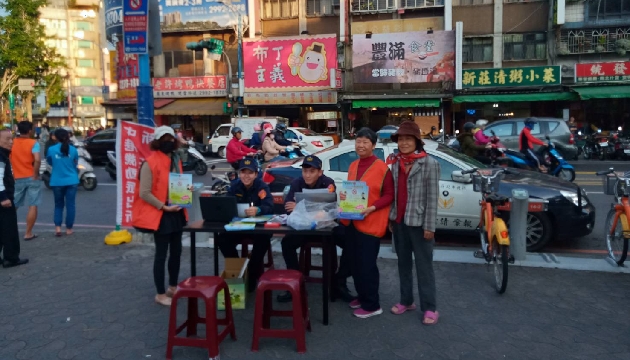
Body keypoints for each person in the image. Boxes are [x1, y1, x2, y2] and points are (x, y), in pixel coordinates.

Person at [276, 156, 355, 303]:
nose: (307, 175)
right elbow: (288, 207)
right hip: (304, 229)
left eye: (312, 171)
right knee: (286, 243)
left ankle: (339, 281)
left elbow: (330, 208)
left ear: (320, 172)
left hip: (326, 228)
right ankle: (295, 282)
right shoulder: (296, 182)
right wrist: (315, 209)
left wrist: (302, 207)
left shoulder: (328, 183)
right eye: (305, 171)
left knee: (352, 241)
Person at [387, 121, 440, 325]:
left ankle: (430, 308)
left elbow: (432, 198)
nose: (404, 143)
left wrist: (429, 226)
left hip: (419, 224)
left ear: (417, 141)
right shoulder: (395, 163)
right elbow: (394, 194)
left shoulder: (429, 164)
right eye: (401, 139)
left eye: (408, 139)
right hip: (400, 222)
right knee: (403, 264)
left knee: (424, 267)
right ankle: (406, 300)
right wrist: (392, 217)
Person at [339, 127, 394, 318]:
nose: (361, 145)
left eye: (365, 142)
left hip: (371, 223)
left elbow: (389, 195)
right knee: (354, 263)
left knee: (367, 265)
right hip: (352, 221)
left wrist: (372, 207)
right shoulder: (353, 165)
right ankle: (362, 296)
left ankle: (372, 305)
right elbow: (353, 190)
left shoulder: (382, 168)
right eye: (358, 141)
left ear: (373, 145)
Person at [132, 126, 187, 307]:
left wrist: (186, 192)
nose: (168, 142)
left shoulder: (175, 159)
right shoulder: (149, 162)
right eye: (164, 139)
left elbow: (177, 184)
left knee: (177, 251)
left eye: (171, 139)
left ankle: (172, 286)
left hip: (176, 212)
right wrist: (163, 207)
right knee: (161, 254)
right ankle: (160, 293)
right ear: (157, 141)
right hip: (161, 214)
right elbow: (145, 193)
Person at [216, 157, 274, 291]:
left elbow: (270, 207)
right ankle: (238, 268)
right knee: (222, 239)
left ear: (256, 174)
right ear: (239, 173)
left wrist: (258, 210)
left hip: (258, 228)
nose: (246, 176)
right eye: (243, 172)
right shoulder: (234, 186)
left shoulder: (262, 186)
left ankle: (252, 275)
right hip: (238, 227)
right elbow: (226, 205)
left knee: (263, 240)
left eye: (250, 173)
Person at [0, 129, 29, 268]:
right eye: (7, 139)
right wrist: (3, 197)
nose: (11, 142)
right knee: (9, 229)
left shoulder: (3, 155)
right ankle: (11, 258)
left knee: (1, 228)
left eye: (11, 139)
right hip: (4, 200)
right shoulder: (0, 156)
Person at [10, 121, 42, 241]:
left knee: (14, 205)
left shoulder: (12, 142)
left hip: (17, 176)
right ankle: (28, 233)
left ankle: (6, 229)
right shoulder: (33, 143)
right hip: (31, 176)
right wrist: (35, 173)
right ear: (29, 131)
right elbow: (37, 159)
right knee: (33, 204)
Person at [46, 129, 79, 237]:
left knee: (58, 205)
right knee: (70, 205)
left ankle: (58, 228)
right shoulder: (73, 150)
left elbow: (50, 162)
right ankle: (69, 229)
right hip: (72, 180)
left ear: (55, 137)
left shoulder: (51, 149)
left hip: (57, 181)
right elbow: (75, 163)